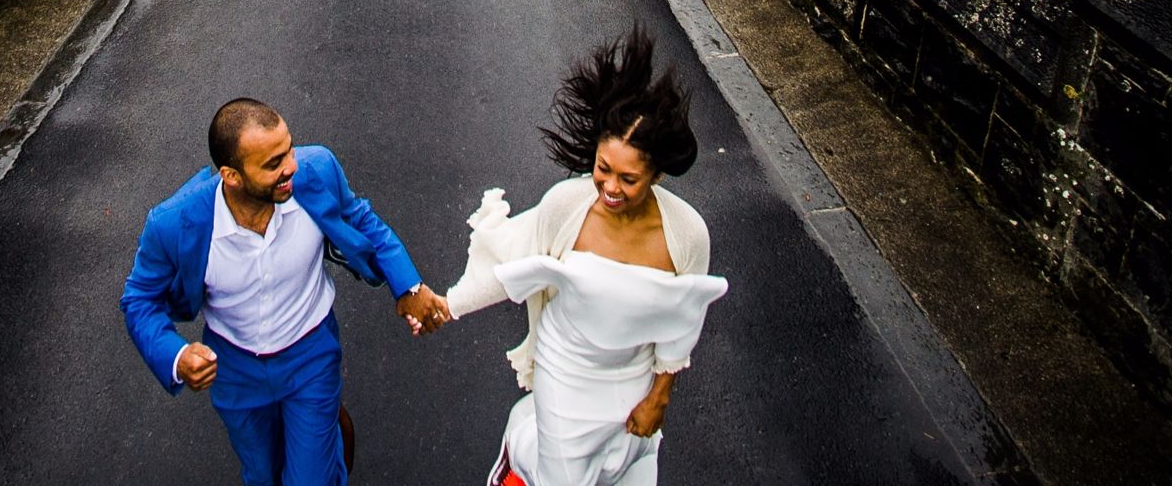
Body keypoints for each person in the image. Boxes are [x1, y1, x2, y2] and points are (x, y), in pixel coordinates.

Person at [443, 28, 728, 486]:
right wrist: (448, 305)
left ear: (656, 175)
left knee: (623, 468)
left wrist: (660, 396)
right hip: (565, 367)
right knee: (565, 478)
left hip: (631, 372)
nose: (610, 188)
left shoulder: (687, 235)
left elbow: (683, 321)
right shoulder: (565, 206)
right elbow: (512, 260)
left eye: (628, 179)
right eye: (602, 169)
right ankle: (520, 446)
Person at [121, 97, 452, 486]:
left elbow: (363, 220)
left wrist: (408, 286)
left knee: (310, 479)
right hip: (235, 371)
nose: (291, 166)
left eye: (289, 149)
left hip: (311, 356)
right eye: (273, 164)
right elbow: (139, 299)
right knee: (262, 475)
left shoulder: (317, 172)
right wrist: (176, 356)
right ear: (231, 176)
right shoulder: (173, 224)